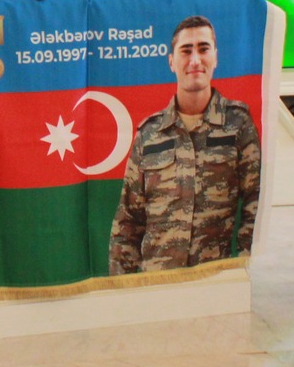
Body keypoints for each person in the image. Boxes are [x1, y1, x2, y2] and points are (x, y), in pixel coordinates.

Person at [110, 15, 261, 275]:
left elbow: (254, 204)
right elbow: (128, 221)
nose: (195, 60)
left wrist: (241, 271)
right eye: (186, 51)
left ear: (215, 58)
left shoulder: (238, 124)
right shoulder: (150, 134)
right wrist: (122, 288)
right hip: (157, 280)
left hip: (213, 278)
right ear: (171, 62)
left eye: (203, 49)